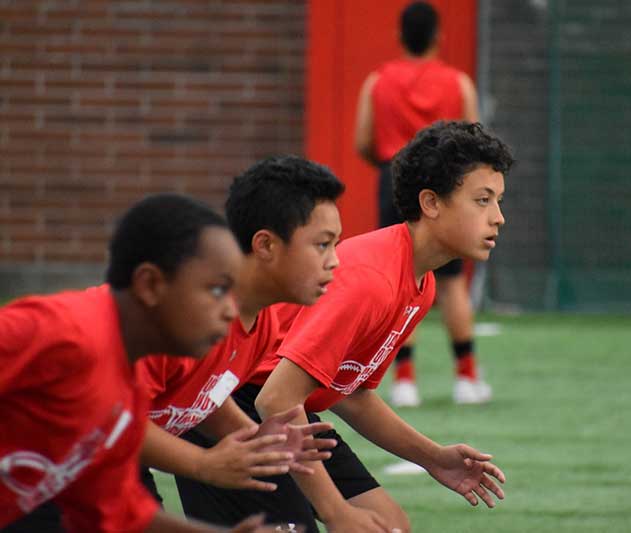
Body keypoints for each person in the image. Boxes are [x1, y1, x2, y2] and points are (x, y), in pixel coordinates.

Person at [175, 121, 513, 533]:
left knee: (389, 527)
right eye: (482, 200)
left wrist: (432, 457)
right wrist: (335, 511)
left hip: (287, 412)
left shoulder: (420, 284)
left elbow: (351, 395)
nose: (498, 218)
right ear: (431, 202)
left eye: (497, 201)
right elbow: (276, 398)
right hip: (233, 403)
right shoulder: (370, 277)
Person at [0, 194, 278, 532]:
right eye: (217, 290)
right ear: (150, 285)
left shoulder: (128, 393)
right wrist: (204, 464)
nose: (230, 311)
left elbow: (122, 512)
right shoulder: (62, 332)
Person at [135, 156, 343, 502]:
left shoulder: (262, 324)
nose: (335, 260)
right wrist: (203, 464)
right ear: (265, 245)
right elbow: (108, 417)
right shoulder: (181, 315)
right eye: (322, 244)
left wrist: (257, 438)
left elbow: (203, 397)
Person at [354, 0, 488, 407]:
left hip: (395, 180)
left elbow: (364, 141)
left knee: (399, 279)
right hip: (447, 186)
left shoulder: (377, 82)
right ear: (437, 37)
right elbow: (475, 140)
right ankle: (466, 377)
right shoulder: (458, 83)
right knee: (450, 283)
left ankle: (404, 379)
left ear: (400, 37)